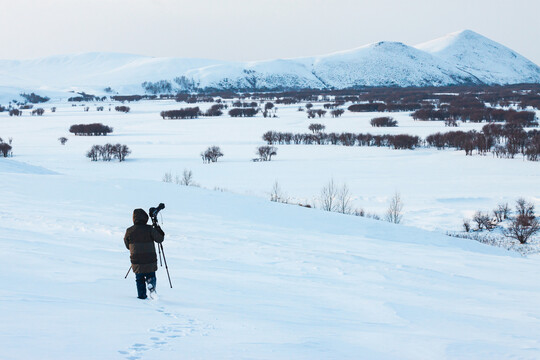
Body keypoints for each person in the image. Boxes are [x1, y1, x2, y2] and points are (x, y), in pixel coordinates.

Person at [124, 208, 165, 299]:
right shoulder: (150, 229)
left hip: (136, 260)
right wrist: (157, 226)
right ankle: (151, 285)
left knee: (139, 279)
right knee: (151, 275)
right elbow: (160, 239)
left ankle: (141, 297)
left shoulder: (129, 231)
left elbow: (127, 246)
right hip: (149, 260)